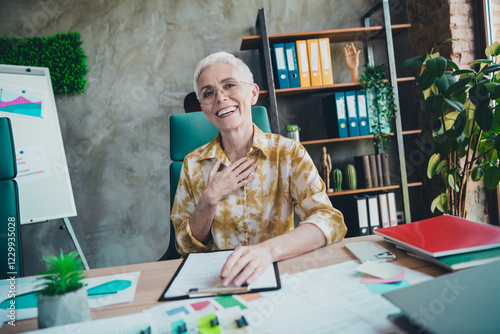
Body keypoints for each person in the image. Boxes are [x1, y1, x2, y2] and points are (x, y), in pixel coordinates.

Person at [171, 51, 347, 287]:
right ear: (204, 109)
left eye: (230, 85)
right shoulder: (192, 164)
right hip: (218, 281)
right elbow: (184, 245)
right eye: (208, 93)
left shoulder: (288, 153)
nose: (221, 98)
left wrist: (266, 252)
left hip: (277, 271)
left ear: (253, 93)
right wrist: (208, 199)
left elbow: (330, 221)